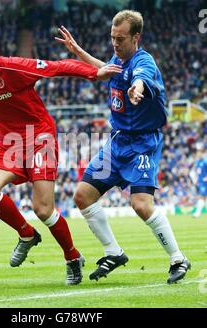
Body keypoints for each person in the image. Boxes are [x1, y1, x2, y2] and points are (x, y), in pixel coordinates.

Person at [0, 31, 111, 285]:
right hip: (10, 145)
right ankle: (26, 234)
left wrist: (93, 73)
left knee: (42, 209)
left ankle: (72, 257)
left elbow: (56, 67)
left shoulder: (13, 67)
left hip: (40, 138)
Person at [56, 10, 191, 284]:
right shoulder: (119, 59)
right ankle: (113, 252)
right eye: (112, 38)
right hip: (117, 141)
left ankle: (178, 258)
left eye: (120, 39)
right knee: (82, 195)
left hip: (142, 143)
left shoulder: (144, 62)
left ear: (136, 37)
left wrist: (136, 89)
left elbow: (140, 77)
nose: (115, 43)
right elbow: (104, 70)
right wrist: (77, 50)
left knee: (141, 204)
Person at [193, 149, 207, 218]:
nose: (199, 154)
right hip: (200, 182)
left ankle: (197, 213)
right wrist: (196, 179)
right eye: (198, 153)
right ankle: (197, 213)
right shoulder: (197, 162)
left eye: (200, 153)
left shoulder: (205, 161)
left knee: (202, 197)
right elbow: (196, 171)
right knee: (203, 197)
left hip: (205, 182)